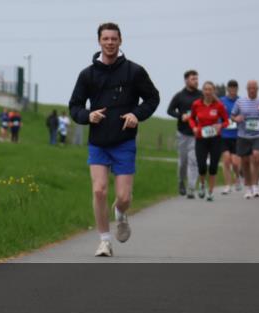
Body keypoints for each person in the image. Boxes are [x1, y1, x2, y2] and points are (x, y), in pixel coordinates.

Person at [69, 22, 160, 257]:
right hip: (98, 142)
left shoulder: (134, 71)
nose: (109, 43)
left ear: (121, 41)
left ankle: (120, 213)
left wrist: (136, 115)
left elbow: (152, 98)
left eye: (114, 39)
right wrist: (88, 116)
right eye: (105, 38)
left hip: (124, 141)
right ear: (99, 41)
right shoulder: (87, 74)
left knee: (123, 197)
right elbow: (74, 106)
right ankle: (104, 240)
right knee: (99, 190)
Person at [187, 80, 229, 201]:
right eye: (206, 89)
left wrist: (220, 125)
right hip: (201, 138)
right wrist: (194, 127)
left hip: (215, 139)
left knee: (213, 167)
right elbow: (191, 118)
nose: (208, 92)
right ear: (203, 91)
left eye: (210, 90)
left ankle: (210, 192)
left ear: (214, 91)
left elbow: (226, 121)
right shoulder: (196, 104)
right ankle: (202, 185)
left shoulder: (219, 106)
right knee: (201, 166)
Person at [231, 80, 259, 200]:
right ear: (247, 89)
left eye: (254, 88)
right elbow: (232, 116)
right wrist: (236, 118)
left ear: (257, 89)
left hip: (258, 135)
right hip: (243, 136)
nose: (252, 90)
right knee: (244, 162)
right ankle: (248, 187)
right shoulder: (240, 102)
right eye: (250, 88)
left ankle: (255, 185)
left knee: (256, 156)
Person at [167, 70, 203, 198]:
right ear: (186, 80)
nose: (196, 81)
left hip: (197, 134)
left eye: (197, 79)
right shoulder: (179, 96)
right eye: (193, 79)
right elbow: (169, 110)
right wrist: (180, 115)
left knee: (194, 161)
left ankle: (191, 188)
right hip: (182, 133)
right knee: (183, 162)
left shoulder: (201, 96)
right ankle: (181, 181)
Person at [219, 80, 243, 194]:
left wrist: (239, 118)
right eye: (230, 89)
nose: (232, 91)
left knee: (236, 163)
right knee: (226, 160)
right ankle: (227, 185)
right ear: (227, 89)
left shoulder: (241, 101)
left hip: (237, 135)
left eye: (235, 89)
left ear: (237, 89)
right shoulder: (222, 101)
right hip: (224, 135)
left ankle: (237, 178)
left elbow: (245, 115)